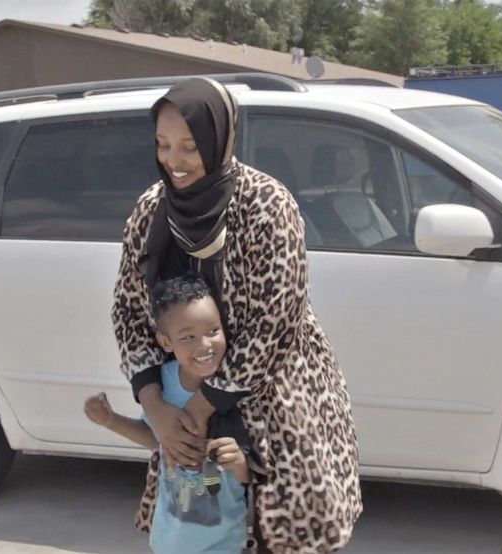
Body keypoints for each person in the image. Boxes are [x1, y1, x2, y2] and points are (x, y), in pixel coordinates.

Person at [111, 77, 362, 553]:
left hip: (273, 400)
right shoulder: (151, 210)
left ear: (219, 138)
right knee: (200, 525)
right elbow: (129, 312)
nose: (174, 161)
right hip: (182, 401)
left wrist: (201, 407)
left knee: (281, 534)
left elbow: (276, 320)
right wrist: (157, 409)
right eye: (163, 145)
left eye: (189, 146)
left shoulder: (266, 204)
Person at [87, 274, 254, 554]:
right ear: (166, 342)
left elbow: (254, 474)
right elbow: (156, 439)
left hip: (225, 543)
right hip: (169, 540)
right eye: (188, 337)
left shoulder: (235, 389)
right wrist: (110, 420)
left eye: (213, 331)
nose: (204, 345)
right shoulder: (162, 385)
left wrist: (239, 463)